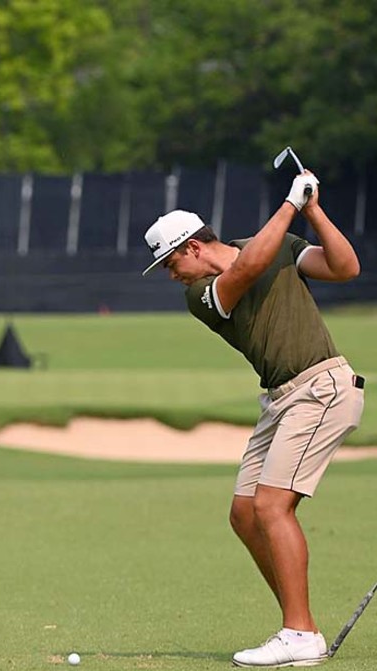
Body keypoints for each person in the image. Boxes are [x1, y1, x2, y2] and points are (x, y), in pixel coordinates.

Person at [141, 171, 365, 668]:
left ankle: (299, 633)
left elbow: (346, 267)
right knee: (245, 514)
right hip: (281, 398)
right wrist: (289, 203)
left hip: (322, 386)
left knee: (270, 507)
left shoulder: (278, 243)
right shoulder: (201, 295)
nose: (170, 274)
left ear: (194, 247)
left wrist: (311, 210)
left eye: (170, 261)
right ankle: (298, 624)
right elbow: (245, 270)